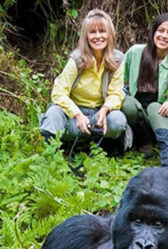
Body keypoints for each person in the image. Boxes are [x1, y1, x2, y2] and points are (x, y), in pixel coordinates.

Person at [39, 9, 128, 153]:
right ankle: (51, 152)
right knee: (54, 113)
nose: (98, 36)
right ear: (86, 36)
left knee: (117, 119)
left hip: (98, 115)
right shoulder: (76, 59)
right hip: (74, 114)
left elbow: (116, 93)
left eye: (102, 31)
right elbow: (58, 92)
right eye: (93, 32)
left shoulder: (118, 59)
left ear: (109, 34)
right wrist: (77, 114)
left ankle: (101, 144)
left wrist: (104, 111)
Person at [122, 13, 168, 170]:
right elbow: (117, 81)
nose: (164, 36)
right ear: (153, 32)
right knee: (126, 103)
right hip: (137, 114)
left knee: (155, 106)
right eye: (161, 30)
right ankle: (143, 141)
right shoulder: (135, 53)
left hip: (159, 118)